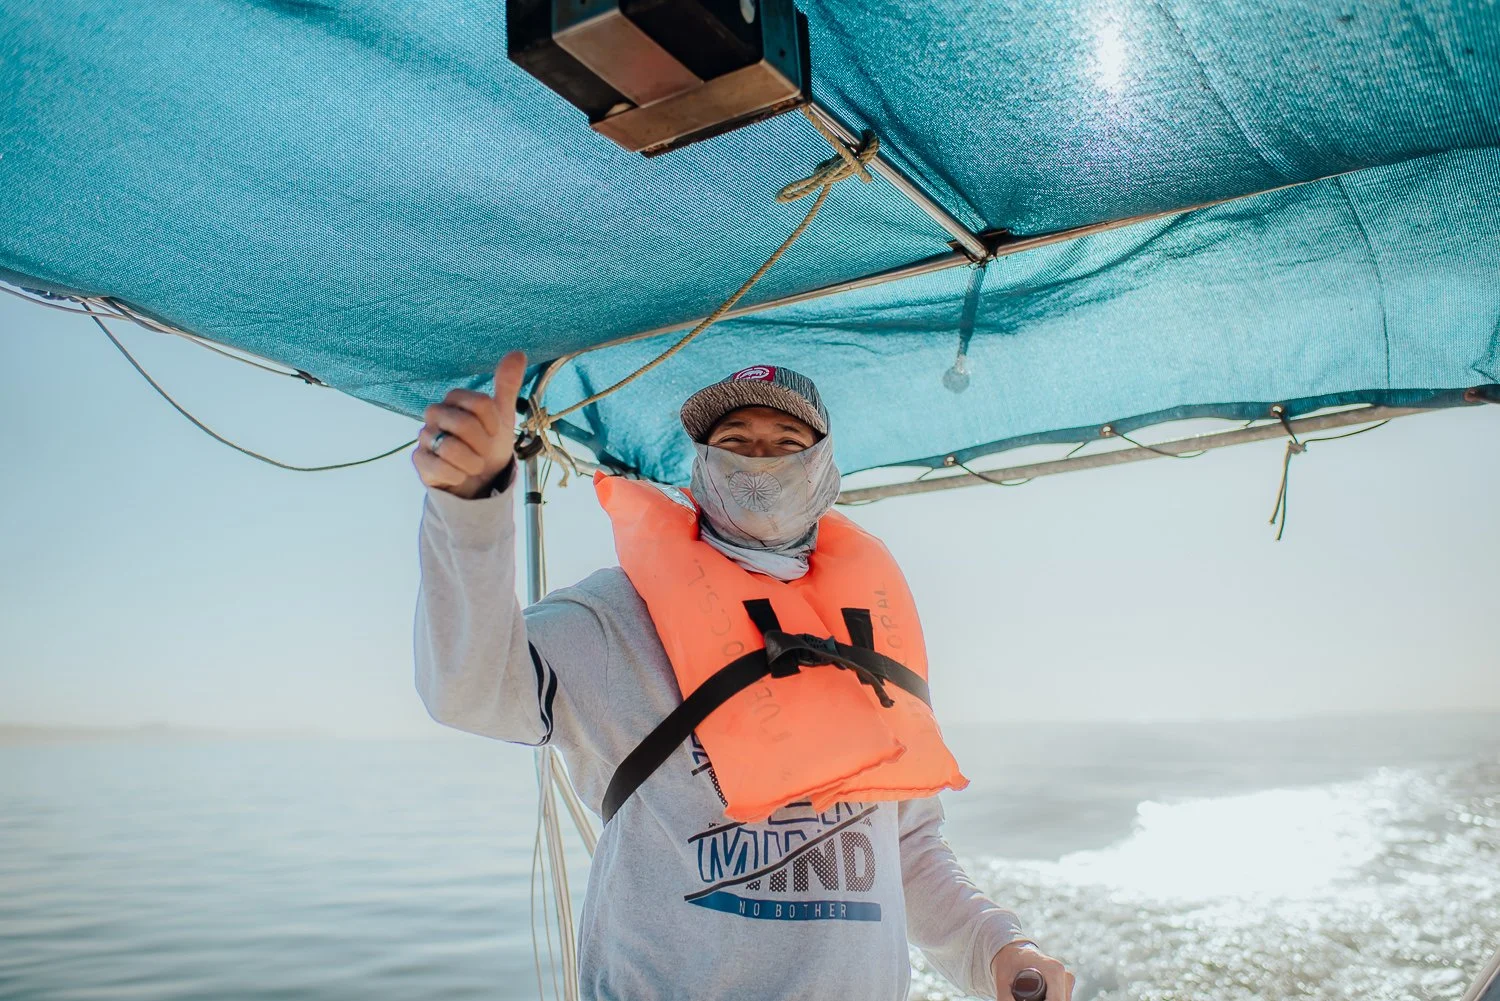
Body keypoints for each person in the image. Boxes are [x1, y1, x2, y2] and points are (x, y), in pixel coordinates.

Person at [412, 351, 1075, 1001]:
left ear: (825, 469)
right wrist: (470, 505)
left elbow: (907, 845)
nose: (761, 461)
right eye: (735, 442)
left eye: (788, 441)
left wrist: (997, 948)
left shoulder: (871, 633)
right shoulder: (615, 616)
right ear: (700, 465)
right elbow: (471, 689)